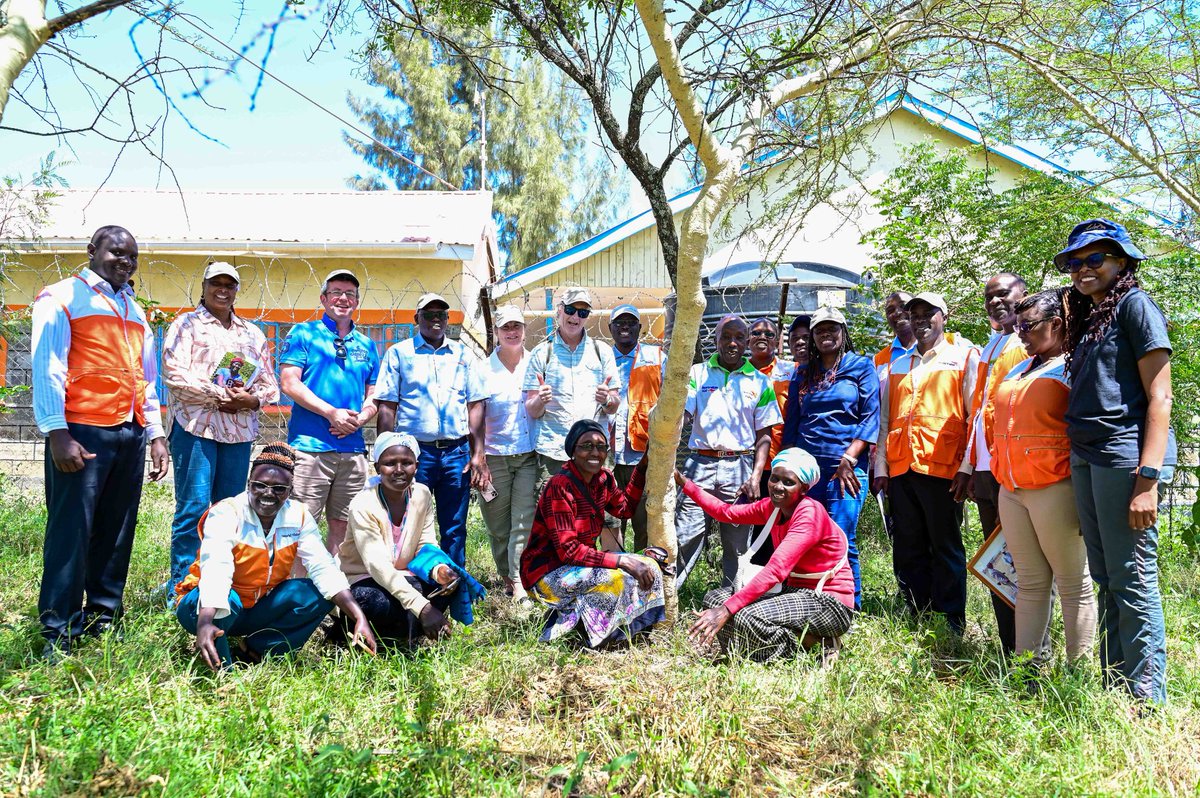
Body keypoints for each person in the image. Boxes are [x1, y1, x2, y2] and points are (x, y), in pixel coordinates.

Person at [32, 225, 171, 659]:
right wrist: (58, 432)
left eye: (132, 257)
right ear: (92, 251)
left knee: (116, 530)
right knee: (71, 531)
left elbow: (145, 380)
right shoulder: (62, 297)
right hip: (80, 432)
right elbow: (48, 365)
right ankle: (59, 628)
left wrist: (156, 434)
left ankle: (103, 617)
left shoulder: (133, 309)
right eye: (116, 253)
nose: (124, 262)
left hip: (128, 433)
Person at [1058, 218, 1175, 705]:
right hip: (1087, 458)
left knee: (1132, 576)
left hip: (1124, 460)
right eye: (1075, 263)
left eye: (1094, 259)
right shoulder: (1090, 316)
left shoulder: (1135, 306)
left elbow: (1161, 397)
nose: (1084, 269)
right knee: (1105, 575)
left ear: (1122, 261)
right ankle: (1116, 683)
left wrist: (1147, 479)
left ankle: (1149, 699)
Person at [174, 443, 378, 670]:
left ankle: (256, 651)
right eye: (260, 486)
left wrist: (359, 617)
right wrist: (204, 623)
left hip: (254, 606)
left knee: (317, 593)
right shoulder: (227, 513)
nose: (268, 494)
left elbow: (324, 568)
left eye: (279, 488)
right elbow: (216, 569)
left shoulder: (298, 515)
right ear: (249, 485)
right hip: (203, 607)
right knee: (228, 600)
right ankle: (222, 670)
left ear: (290, 490)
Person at [990, 289, 1096, 665]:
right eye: (1018, 325)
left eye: (1029, 325)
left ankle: (1078, 672)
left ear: (1058, 323)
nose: (1021, 333)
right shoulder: (1022, 367)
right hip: (1012, 489)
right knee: (1030, 583)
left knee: (1072, 582)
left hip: (1055, 486)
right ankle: (1028, 669)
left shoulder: (1075, 366)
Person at [161, 261, 280, 597]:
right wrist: (219, 394)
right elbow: (173, 374)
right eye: (216, 283)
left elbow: (270, 386)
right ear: (204, 286)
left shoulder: (251, 333)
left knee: (228, 512)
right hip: (195, 428)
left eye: (230, 285)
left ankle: (219, 586)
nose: (223, 290)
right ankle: (182, 590)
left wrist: (251, 401)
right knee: (194, 509)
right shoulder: (186, 325)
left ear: (237, 291)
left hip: (238, 434)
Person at [681, 448, 854, 663]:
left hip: (828, 603)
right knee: (714, 598)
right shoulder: (773, 507)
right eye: (774, 479)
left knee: (744, 614)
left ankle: (810, 646)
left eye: (788, 482)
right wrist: (684, 482)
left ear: (804, 488)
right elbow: (725, 513)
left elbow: (775, 571)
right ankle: (743, 654)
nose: (778, 487)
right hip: (792, 591)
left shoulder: (810, 513)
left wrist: (726, 611)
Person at [873, 292, 979, 634]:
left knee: (945, 544)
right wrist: (882, 468)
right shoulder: (897, 363)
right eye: (914, 313)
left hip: (942, 468)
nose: (920, 319)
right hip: (902, 468)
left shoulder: (963, 356)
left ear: (943, 317)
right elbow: (886, 421)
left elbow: (973, 415)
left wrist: (967, 466)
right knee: (908, 544)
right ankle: (917, 610)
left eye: (927, 313)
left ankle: (951, 619)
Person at [519, 420, 666, 648]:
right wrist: (621, 560)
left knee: (650, 566)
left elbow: (624, 508)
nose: (595, 452)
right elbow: (569, 550)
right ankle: (599, 640)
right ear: (573, 451)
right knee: (613, 577)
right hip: (547, 572)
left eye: (600, 447)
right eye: (586, 446)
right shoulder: (560, 487)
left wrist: (643, 466)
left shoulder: (603, 480)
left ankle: (633, 632)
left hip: (580, 566)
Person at [339, 432, 484, 647]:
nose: (398, 470)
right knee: (375, 601)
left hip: (405, 577)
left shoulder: (421, 494)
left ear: (416, 465)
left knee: (450, 584)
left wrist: (438, 570)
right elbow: (377, 567)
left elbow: (426, 544)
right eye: (390, 463)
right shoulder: (363, 504)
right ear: (377, 467)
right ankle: (355, 636)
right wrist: (423, 608)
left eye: (406, 463)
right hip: (364, 579)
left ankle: (404, 638)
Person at [375, 292, 488, 567]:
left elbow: (475, 404)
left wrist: (478, 454)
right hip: (415, 455)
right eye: (429, 314)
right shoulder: (399, 354)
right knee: (411, 523)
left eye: (441, 314)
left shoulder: (463, 354)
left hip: (455, 454)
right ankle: (415, 583)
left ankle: (454, 589)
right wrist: (383, 453)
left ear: (448, 320)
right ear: (417, 319)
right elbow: (388, 406)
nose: (435, 320)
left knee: (454, 527)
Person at [781, 306, 879, 609]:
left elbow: (871, 417)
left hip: (845, 469)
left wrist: (850, 459)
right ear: (812, 336)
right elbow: (792, 423)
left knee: (841, 536)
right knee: (804, 535)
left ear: (843, 332)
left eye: (832, 328)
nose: (826, 334)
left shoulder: (861, 367)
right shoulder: (803, 373)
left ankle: (849, 607)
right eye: (820, 330)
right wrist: (786, 466)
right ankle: (805, 602)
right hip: (807, 472)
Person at [674, 315, 782, 587]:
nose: (732, 343)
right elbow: (682, 416)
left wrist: (757, 476)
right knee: (685, 536)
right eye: (726, 336)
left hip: (741, 468)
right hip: (699, 465)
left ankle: (730, 605)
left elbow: (764, 435)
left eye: (738, 338)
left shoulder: (759, 381)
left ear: (746, 343)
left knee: (736, 545)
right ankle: (666, 604)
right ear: (715, 339)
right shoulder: (697, 374)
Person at [279, 270, 380, 554]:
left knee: (345, 526)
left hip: (352, 450)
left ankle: (336, 589)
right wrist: (330, 413)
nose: (343, 299)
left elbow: (375, 395)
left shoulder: (367, 344)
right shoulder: (304, 333)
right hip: (310, 450)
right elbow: (289, 382)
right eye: (336, 292)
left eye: (350, 294)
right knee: (300, 524)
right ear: (323, 298)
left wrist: (360, 419)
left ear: (357, 302)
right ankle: (297, 590)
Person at [966, 273, 1029, 655]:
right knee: (997, 561)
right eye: (989, 297)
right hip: (987, 470)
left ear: (1023, 295)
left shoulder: (1028, 341)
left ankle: (1032, 651)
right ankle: (1010, 648)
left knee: (1023, 562)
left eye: (1003, 293)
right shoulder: (991, 346)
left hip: (1015, 469)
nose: (996, 301)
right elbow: (979, 415)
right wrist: (971, 466)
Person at [523, 287, 620, 481]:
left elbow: (614, 405)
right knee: (553, 511)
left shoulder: (602, 352)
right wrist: (541, 400)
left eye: (582, 312)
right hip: (553, 454)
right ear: (559, 310)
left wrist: (607, 399)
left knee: (595, 510)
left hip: (593, 453)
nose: (575, 316)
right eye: (570, 310)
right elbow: (532, 410)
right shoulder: (541, 353)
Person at [478, 305, 540, 599]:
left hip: (528, 455)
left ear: (525, 331)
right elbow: (473, 417)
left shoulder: (537, 363)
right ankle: (505, 574)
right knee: (497, 525)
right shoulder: (482, 369)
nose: (512, 332)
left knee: (522, 522)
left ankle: (518, 582)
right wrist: (477, 459)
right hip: (493, 457)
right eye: (506, 328)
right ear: (496, 333)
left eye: (517, 327)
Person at [607, 303, 665, 551]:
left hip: (642, 454)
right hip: (608, 454)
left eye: (631, 323)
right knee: (611, 521)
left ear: (640, 328)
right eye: (619, 323)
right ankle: (614, 576)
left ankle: (643, 576)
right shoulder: (602, 358)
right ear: (610, 328)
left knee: (644, 522)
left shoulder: (657, 356)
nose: (625, 327)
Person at [748, 317, 797, 462]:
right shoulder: (737, 374)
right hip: (745, 459)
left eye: (769, 334)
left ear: (777, 343)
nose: (762, 337)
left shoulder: (792, 370)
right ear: (747, 340)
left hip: (782, 457)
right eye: (756, 333)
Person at [873, 291, 916, 369]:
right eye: (890, 310)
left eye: (903, 306)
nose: (897, 312)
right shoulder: (878, 360)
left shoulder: (938, 348)